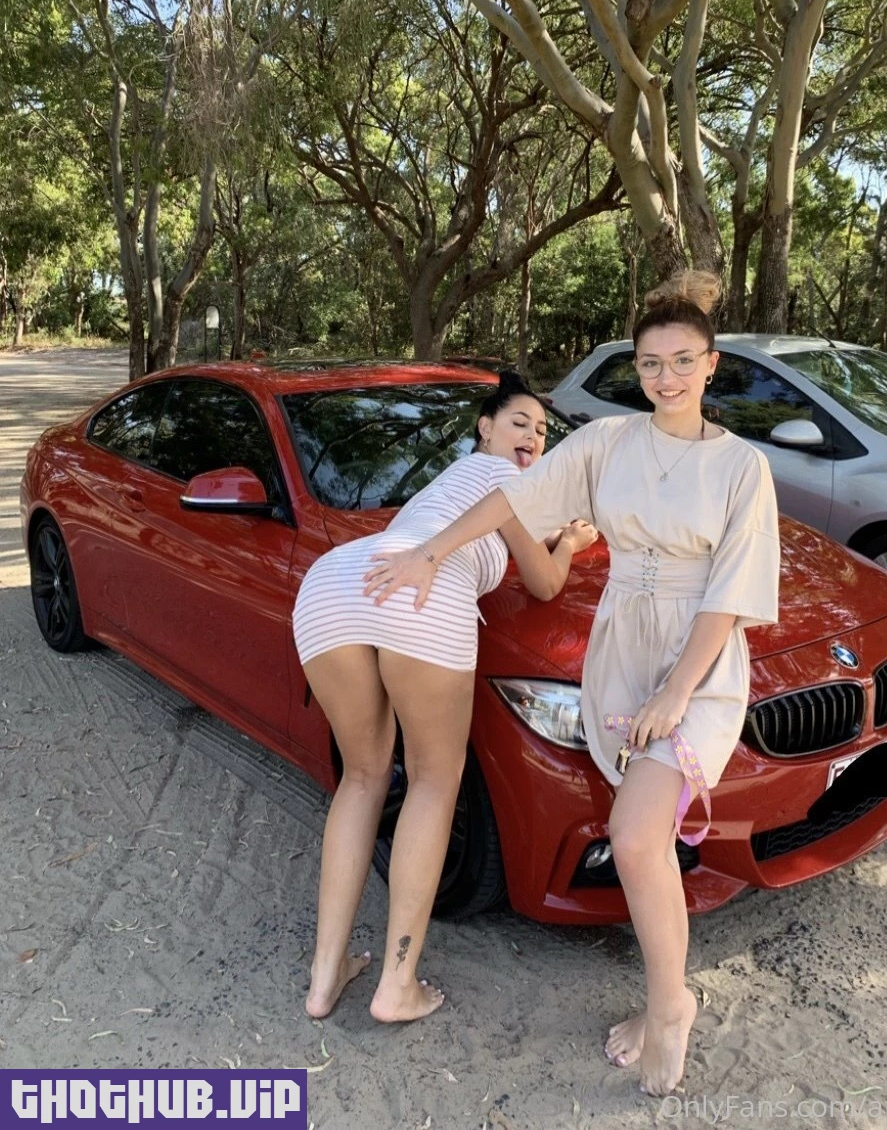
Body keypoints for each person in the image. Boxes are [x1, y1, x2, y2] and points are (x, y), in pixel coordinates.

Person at [363, 272, 780, 1095]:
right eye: (650, 363)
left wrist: (674, 693)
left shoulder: (743, 467)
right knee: (647, 841)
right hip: (622, 651)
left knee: (635, 835)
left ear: (712, 365)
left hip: (697, 665)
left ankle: (671, 1009)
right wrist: (429, 552)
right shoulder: (608, 442)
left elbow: (730, 598)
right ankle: (662, 997)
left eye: (682, 361)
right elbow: (512, 498)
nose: (665, 377)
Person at [292, 371, 598, 1025]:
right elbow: (544, 582)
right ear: (484, 428)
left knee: (362, 778)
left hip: (335, 583)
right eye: (519, 422)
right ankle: (396, 984)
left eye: (542, 431)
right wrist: (570, 543)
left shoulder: (446, 481)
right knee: (433, 782)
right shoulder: (509, 480)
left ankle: (323, 979)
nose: (533, 437)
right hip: (417, 593)